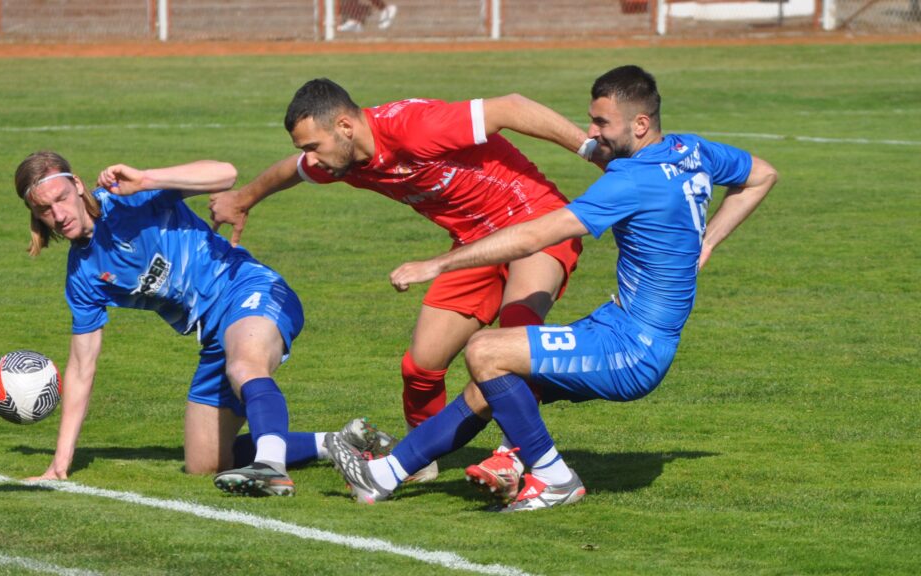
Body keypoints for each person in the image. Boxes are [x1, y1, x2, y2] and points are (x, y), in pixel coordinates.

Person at [325, 65, 778, 511]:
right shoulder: (691, 149)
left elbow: (531, 236)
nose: (592, 131)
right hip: (619, 327)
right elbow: (761, 174)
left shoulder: (630, 180)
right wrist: (707, 242)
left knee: (485, 351)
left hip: (631, 349)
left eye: (602, 122)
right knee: (492, 382)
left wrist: (436, 264)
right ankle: (382, 476)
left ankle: (553, 476)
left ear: (640, 124)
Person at [207, 78, 590, 493]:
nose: (310, 158)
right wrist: (241, 199)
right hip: (473, 247)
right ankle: (419, 458)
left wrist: (592, 150)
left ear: (344, 127)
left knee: (515, 334)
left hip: (539, 222)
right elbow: (291, 171)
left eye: (313, 146)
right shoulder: (345, 159)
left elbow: (511, 107)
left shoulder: (414, 126)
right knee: (421, 367)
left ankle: (514, 457)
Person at [15, 151, 393, 497]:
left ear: (78, 186)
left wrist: (147, 177)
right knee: (205, 462)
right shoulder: (83, 276)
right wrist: (59, 465)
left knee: (246, 364)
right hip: (214, 335)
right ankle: (334, 443)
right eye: (45, 209)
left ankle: (271, 468)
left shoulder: (131, 198)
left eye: (62, 198)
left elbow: (225, 174)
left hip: (250, 289)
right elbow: (82, 368)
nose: (59, 214)